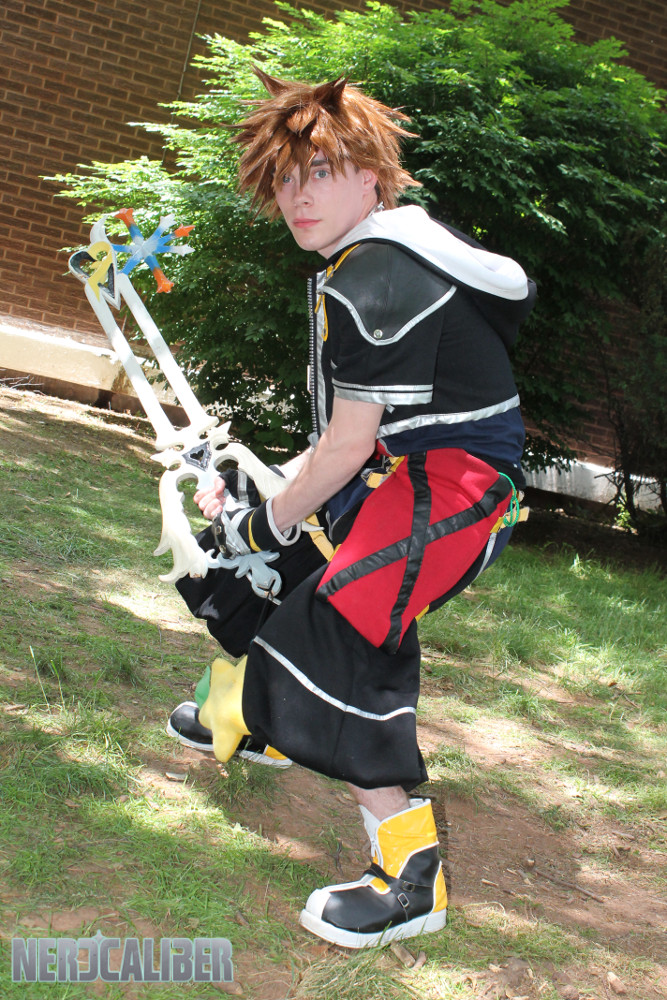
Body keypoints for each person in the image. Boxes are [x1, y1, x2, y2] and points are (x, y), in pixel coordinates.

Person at [167, 68, 536, 949]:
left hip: (457, 491)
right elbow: (346, 440)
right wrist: (264, 500)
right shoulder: (373, 253)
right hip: (402, 472)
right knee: (268, 562)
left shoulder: (376, 270)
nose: (297, 197)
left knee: (337, 631)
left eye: (320, 173)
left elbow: (346, 448)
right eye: (284, 180)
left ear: (369, 175)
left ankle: (411, 878)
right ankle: (255, 717)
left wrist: (265, 519)